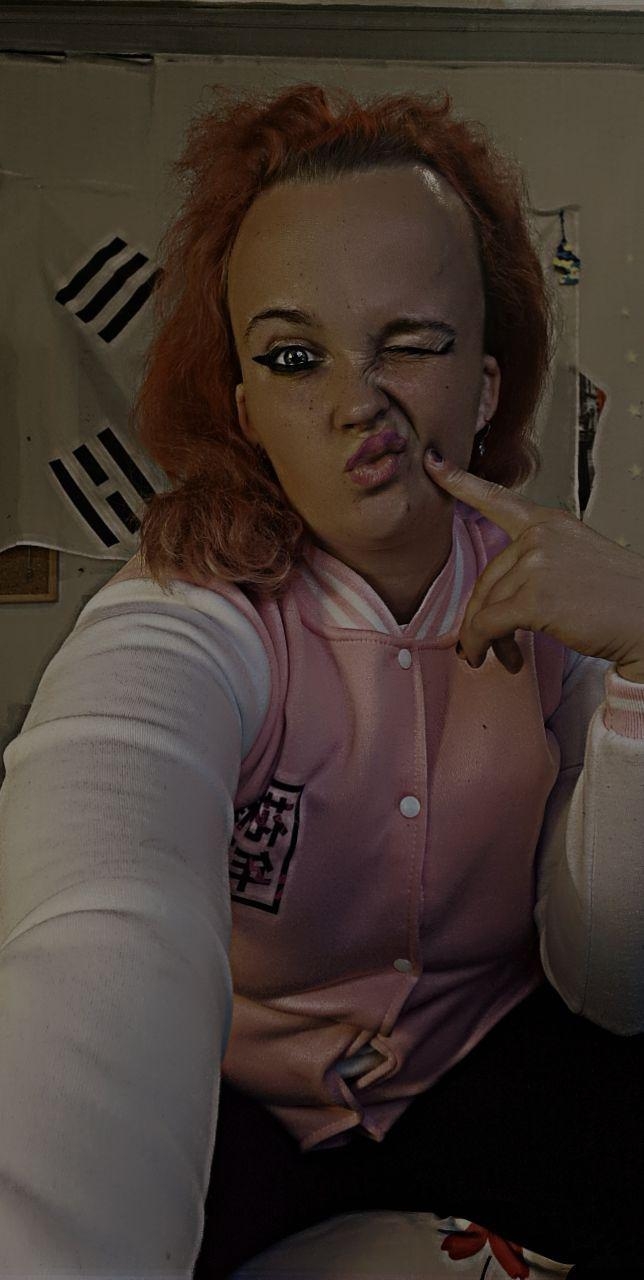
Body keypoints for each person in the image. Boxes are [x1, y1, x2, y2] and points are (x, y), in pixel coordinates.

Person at [0, 82, 642, 1280]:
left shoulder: (560, 601)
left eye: (412, 342)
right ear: (245, 407)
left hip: (481, 1058)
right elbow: (101, 897)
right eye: (295, 357)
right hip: (241, 1097)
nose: (358, 402)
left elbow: (611, 977)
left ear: (486, 383)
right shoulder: (190, 610)